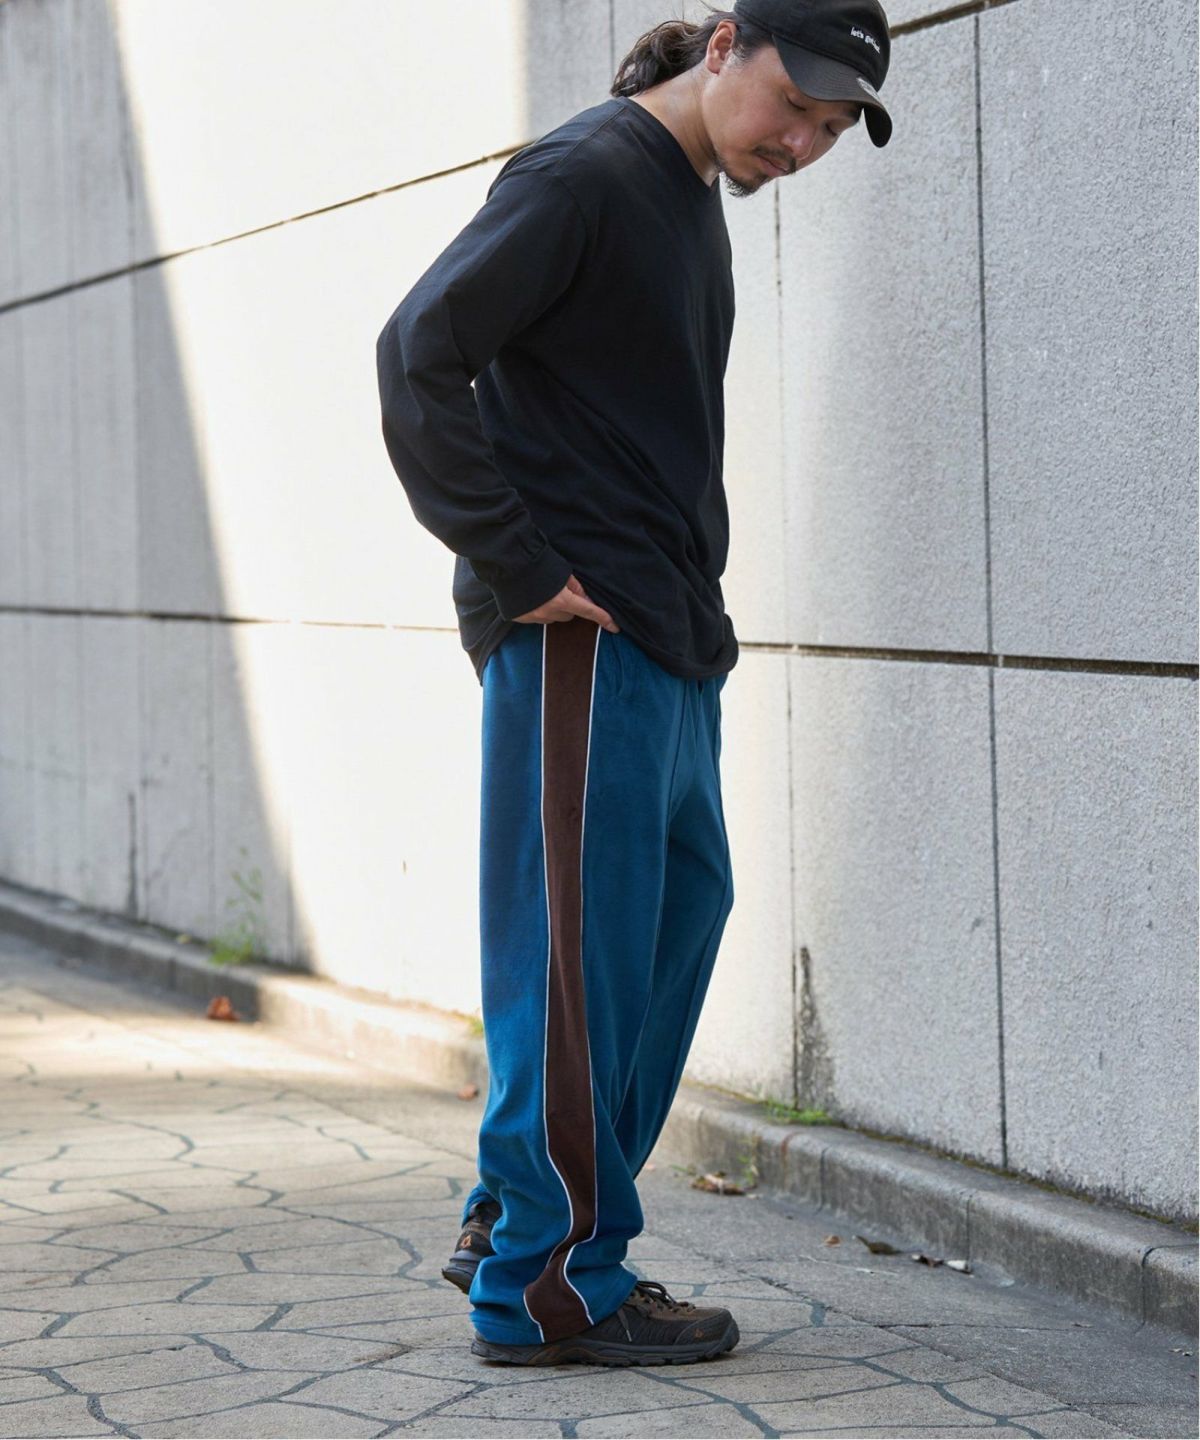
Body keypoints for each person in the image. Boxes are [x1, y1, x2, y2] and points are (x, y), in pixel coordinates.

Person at [375, 0, 893, 1368]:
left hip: (664, 631)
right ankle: (548, 1284)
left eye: (833, 128)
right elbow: (416, 351)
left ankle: (520, 1215)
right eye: (797, 102)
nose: (804, 141)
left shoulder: (685, 195)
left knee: (669, 925)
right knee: (579, 962)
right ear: (724, 45)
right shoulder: (584, 175)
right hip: (583, 633)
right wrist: (519, 564)